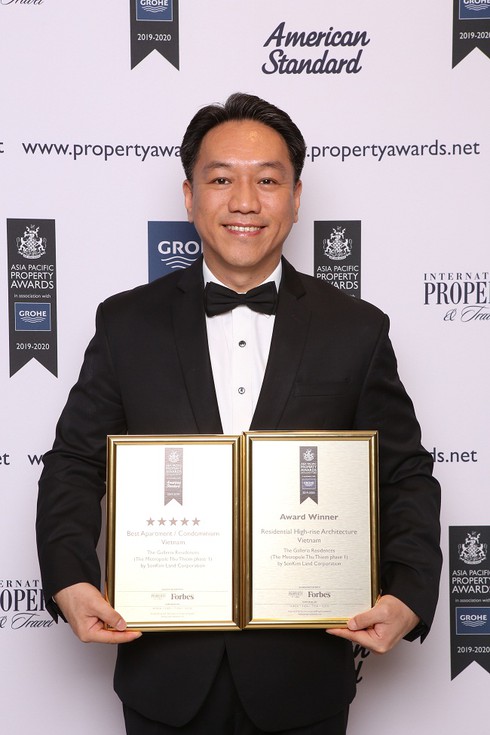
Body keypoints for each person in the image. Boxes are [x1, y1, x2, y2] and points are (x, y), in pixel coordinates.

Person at [36, 92, 442, 735]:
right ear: (190, 195)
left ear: (297, 197)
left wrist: (409, 593)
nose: (245, 201)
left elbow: (403, 474)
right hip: (164, 677)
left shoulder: (357, 330)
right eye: (222, 179)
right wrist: (70, 579)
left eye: (268, 181)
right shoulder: (125, 324)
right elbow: (75, 464)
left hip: (304, 678)